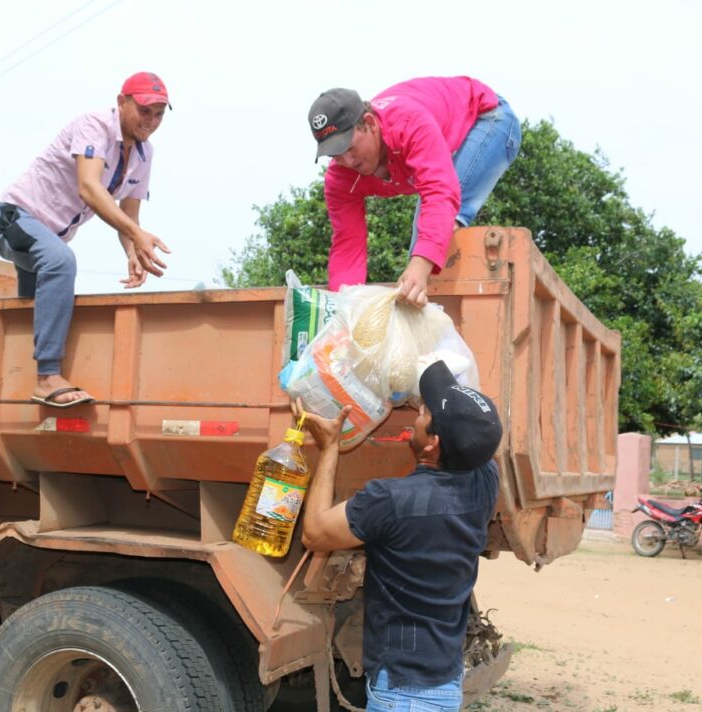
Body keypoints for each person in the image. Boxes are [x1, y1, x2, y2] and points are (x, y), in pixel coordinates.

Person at [295, 359, 503, 711]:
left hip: (403, 697)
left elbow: (314, 533)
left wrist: (329, 447)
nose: (418, 411)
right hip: (444, 683)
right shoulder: (485, 483)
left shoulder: (392, 500)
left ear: (432, 444)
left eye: (425, 413)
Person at [0, 72, 172, 407]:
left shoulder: (145, 155)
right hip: (14, 218)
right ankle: (47, 377)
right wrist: (136, 235)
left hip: (48, 239)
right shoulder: (94, 126)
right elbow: (89, 187)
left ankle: (14, 386)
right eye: (145, 110)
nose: (152, 121)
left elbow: (130, 216)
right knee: (60, 262)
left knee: (36, 302)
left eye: (159, 114)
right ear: (121, 101)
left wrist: (134, 252)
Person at [307, 76, 522, 307]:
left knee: (427, 248)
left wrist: (419, 268)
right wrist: (343, 308)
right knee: (422, 254)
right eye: (336, 155)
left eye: (350, 148)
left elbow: (440, 191)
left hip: (489, 119)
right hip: (445, 142)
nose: (347, 161)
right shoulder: (340, 178)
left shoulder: (408, 123)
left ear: (370, 123)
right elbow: (348, 243)